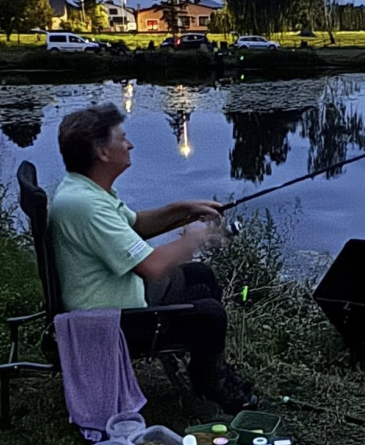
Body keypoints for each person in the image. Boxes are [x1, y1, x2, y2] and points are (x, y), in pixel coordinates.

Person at [48, 103, 255, 413]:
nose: (129, 144)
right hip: (109, 322)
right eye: (122, 138)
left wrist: (185, 210)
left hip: (120, 298)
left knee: (201, 277)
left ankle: (209, 369)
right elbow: (151, 267)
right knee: (211, 314)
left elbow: (138, 225)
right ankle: (210, 382)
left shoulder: (85, 189)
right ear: (102, 152)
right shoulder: (86, 206)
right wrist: (198, 238)